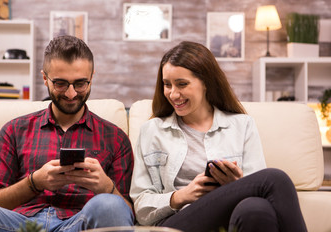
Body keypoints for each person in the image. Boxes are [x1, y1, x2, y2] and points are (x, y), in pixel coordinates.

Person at [130, 41, 307, 232]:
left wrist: (235, 186)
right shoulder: (152, 131)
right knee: (276, 179)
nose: (173, 94)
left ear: (206, 83)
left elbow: (259, 193)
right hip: (177, 222)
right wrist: (183, 195)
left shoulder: (242, 125)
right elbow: (140, 206)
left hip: (228, 218)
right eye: (167, 85)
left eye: (182, 84)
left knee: (256, 209)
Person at [0, 35, 134, 231]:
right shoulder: (14, 130)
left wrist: (106, 187)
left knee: (110, 205)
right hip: (18, 225)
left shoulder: (115, 138)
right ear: (45, 78)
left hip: (78, 224)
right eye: (60, 84)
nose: (71, 93)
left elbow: (126, 213)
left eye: (80, 83)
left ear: (91, 78)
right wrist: (35, 182)